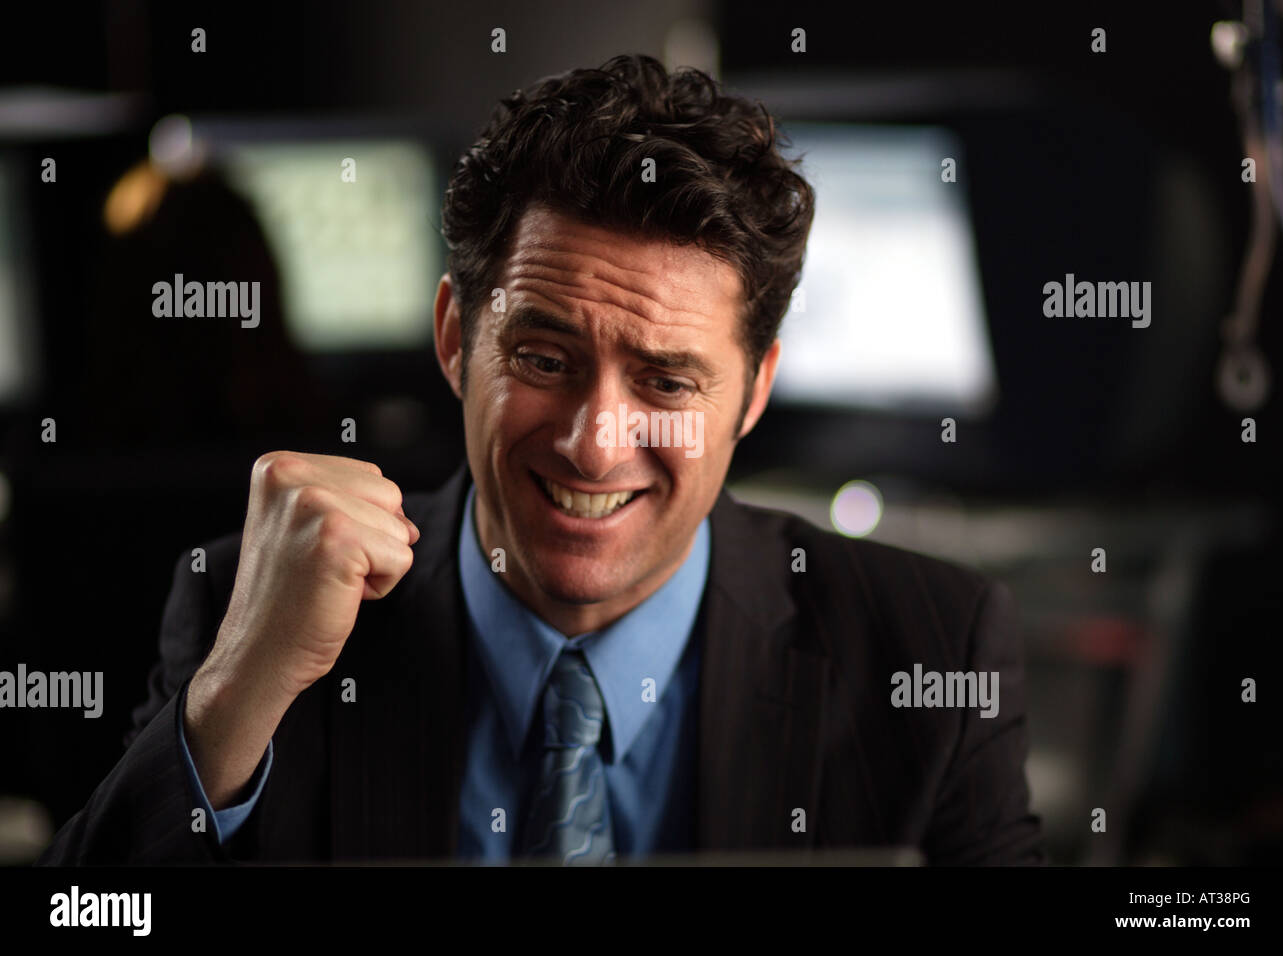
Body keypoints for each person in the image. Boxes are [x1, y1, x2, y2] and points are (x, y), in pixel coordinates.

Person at [38, 54, 1044, 866]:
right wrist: (229, 700)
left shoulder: (929, 649)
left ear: (754, 390)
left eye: (667, 380)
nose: (594, 440)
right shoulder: (239, 614)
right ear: (452, 338)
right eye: (543, 358)